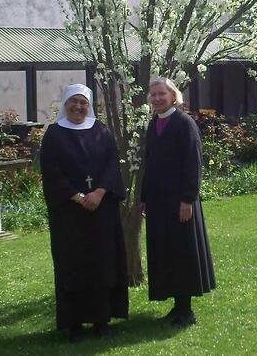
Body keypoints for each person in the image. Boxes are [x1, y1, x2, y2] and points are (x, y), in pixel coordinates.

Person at [39, 84, 128, 342]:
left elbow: (112, 164)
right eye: (73, 102)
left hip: (101, 212)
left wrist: (99, 192)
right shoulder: (54, 135)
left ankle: (102, 321)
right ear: (65, 104)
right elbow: (52, 172)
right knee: (72, 266)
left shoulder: (101, 132)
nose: (78, 107)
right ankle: (74, 324)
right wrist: (78, 197)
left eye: (83, 103)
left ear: (89, 105)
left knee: (102, 265)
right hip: (69, 214)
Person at [140, 77, 216, 327]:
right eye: (153, 95)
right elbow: (148, 164)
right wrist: (143, 198)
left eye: (161, 94)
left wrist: (188, 199)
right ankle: (177, 306)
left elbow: (193, 163)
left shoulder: (184, 123)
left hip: (180, 201)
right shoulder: (154, 125)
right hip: (158, 201)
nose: (157, 98)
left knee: (183, 252)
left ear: (173, 96)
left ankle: (187, 310)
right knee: (167, 251)